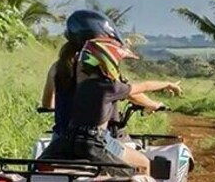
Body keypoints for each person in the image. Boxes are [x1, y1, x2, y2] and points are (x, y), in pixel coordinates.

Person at [44, 36, 182, 174]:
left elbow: (49, 103)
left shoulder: (81, 84)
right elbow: (145, 86)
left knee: (39, 168)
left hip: (67, 139)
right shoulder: (111, 87)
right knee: (143, 164)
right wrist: (168, 84)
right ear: (109, 62)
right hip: (96, 141)